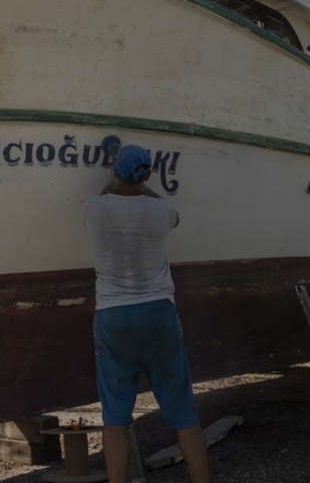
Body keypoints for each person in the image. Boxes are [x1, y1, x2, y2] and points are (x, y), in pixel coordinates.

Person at [83, 144, 209, 483]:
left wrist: (114, 169)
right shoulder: (162, 212)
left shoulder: (95, 208)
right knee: (184, 414)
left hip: (114, 317)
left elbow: (108, 193)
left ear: (114, 173)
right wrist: (143, 187)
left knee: (115, 419)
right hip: (158, 314)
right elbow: (170, 212)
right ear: (149, 175)